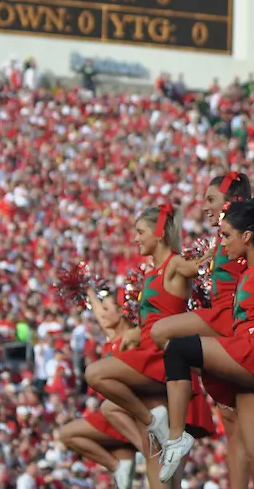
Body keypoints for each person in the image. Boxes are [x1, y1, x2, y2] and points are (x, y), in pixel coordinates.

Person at [157, 198, 254, 486]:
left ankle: (176, 437)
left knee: (178, 348)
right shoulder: (246, 272)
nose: (221, 243)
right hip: (251, 362)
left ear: (246, 235)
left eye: (226, 235)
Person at [84, 204, 209, 488]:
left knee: (96, 374)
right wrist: (133, 336)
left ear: (159, 233)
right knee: (160, 473)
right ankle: (155, 422)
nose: (135, 238)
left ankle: (154, 420)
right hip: (148, 355)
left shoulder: (174, 264)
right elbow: (148, 322)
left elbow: (198, 267)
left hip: (163, 359)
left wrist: (214, 254)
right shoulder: (151, 275)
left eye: (140, 232)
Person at [150, 172, 254, 489]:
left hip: (229, 319)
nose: (205, 206)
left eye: (211, 199)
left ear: (233, 201)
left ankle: (177, 431)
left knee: (161, 333)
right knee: (233, 425)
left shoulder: (247, 233)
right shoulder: (223, 238)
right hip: (221, 321)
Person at [57, 287, 140, 489]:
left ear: (122, 312)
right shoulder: (114, 337)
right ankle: (119, 465)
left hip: (124, 412)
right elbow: (99, 313)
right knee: (124, 484)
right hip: (113, 412)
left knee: (68, 434)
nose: (102, 315)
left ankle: (117, 464)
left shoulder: (132, 337)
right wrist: (88, 291)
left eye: (107, 309)